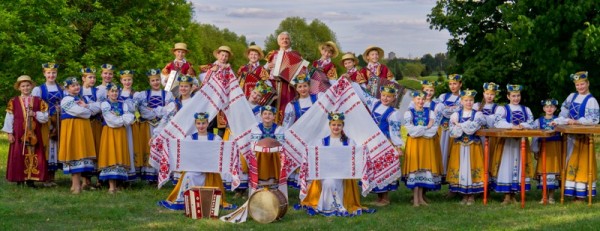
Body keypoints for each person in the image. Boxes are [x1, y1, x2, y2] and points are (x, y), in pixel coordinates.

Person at [297, 112, 373, 216]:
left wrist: (362, 150)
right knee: (329, 182)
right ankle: (327, 207)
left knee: (331, 182)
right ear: (329, 125)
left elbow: (355, 159)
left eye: (339, 125)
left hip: (343, 174)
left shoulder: (350, 142)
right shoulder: (321, 142)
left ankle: (328, 207)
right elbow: (316, 160)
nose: (336, 127)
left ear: (343, 126)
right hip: (325, 173)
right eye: (333, 125)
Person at [158, 112, 234, 210]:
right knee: (189, 175)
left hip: (209, 171)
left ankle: (204, 200)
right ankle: (188, 200)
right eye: (198, 123)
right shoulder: (190, 138)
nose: (201, 126)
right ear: (195, 124)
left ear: (207, 123)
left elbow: (220, 154)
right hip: (193, 169)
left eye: (203, 123)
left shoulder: (215, 138)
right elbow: (184, 153)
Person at [352, 82, 403, 206]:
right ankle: (379, 197)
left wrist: (397, 146)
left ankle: (385, 198)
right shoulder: (374, 103)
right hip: (371, 143)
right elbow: (363, 94)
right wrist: (351, 82)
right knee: (375, 169)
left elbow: (395, 131)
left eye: (388, 96)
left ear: (393, 99)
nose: (385, 98)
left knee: (383, 169)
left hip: (384, 144)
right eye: (383, 95)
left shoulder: (393, 113)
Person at [554, 71, 599, 202]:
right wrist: (559, 121)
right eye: (578, 84)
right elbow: (564, 113)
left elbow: (594, 119)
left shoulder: (591, 101)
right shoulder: (572, 97)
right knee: (569, 161)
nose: (580, 87)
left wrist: (577, 122)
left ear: (588, 83)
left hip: (583, 138)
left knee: (582, 163)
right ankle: (570, 191)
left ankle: (581, 195)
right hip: (569, 136)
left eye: (582, 84)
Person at [491, 84, 535, 204]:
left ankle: (514, 194)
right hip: (507, 143)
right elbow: (498, 122)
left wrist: (523, 126)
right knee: (507, 165)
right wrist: (512, 127)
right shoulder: (503, 109)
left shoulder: (526, 109)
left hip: (521, 142)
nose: (516, 98)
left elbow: (531, 122)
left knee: (519, 165)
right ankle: (506, 195)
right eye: (513, 96)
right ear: (508, 96)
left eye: (518, 96)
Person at [2, 75, 49, 187]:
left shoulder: (38, 100)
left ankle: (31, 180)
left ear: (31, 86)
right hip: (18, 132)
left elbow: (45, 117)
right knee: (18, 154)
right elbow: (9, 118)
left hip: (34, 133)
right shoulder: (13, 101)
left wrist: (35, 114)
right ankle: (19, 178)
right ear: (19, 88)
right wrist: (9, 133)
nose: (26, 88)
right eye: (23, 86)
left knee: (34, 153)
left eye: (28, 85)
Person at [402, 91, 442, 207]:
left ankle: (420, 198)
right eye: (418, 99)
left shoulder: (430, 113)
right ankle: (415, 199)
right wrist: (425, 127)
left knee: (423, 170)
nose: (421, 101)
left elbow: (433, 130)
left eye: (423, 99)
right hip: (414, 144)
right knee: (416, 168)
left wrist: (420, 130)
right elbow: (411, 131)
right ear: (414, 100)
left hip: (426, 144)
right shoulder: (409, 113)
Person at [59, 77, 97, 194]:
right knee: (75, 154)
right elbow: (81, 112)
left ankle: (75, 186)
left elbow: (95, 108)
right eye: (72, 86)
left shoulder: (81, 98)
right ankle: (76, 186)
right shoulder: (66, 100)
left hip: (82, 130)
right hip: (73, 129)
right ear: (67, 88)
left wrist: (87, 108)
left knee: (81, 155)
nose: (76, 87)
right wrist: (87, 110)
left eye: (77, 85)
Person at [135, 69, 174, 182]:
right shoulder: (143, 94)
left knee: (162, 147)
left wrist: (153, 110)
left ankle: (161, 175)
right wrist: (161, 110)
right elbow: (143, 112)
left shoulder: (167, 94)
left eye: (157, 80)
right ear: (149, 82)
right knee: (149, 147)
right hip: (148, 125)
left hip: (163, 125)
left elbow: (169, 110)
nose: (156, 82)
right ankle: (149, 176)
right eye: (153, 80)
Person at [447, 89, 485, 205]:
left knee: (472, 167)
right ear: (462, 101)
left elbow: (472, 129)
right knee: (462, 167)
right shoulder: (455, 114)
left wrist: (459, 124)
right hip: (459, 146)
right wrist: (464, 126)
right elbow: (453, 132)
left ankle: (472, 195)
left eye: (471, 100)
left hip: (473, 145)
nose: (468, 102)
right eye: (466, 100)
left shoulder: (478, 114)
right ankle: (463, 195)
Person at [98, 83, 135, 193]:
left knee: (119, 154)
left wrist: (119, 118)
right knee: (111, 155)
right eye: (112, 91)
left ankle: (118, 185)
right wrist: (122, 119)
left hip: (120, 133)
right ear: (108, 93)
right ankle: (111, 186)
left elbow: (130, 118)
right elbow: (110, 121)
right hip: (109, 132)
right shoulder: (105, 104)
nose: (114, 93)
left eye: (116, 91)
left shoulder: (123, 104)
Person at [32, 62, 63, 187]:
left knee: (55, 147)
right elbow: (35, 106)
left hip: (58, 122)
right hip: (44, 121)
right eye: (49, 73)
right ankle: (43, 176)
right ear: (44, 73)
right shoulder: (39, 89)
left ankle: (52, 177)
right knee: (46, 146)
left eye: (54, 73)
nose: (51, 75)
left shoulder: (61, 88)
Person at [265, 32, 302, 123]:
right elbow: (264, 72)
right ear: (278, 42)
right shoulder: (273, 54)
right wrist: (267, 67)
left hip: (289, 87)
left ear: (290, 41)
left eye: (287, 39)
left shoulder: (296, 54)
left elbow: (302, 72)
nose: (285, 40)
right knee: (273, 107)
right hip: (275, 85)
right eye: (282, 39)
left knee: (288, 107)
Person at [531, 99, 562, 204]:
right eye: (547, 107)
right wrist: (535, 149)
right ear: (544, 108)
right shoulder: (538, 121)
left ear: (555, 109)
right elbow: (535, 136)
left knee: (553, 170)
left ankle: (552, 196)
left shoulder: (559, 120)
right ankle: (544, 195)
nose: (549, 109)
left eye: (552, 107)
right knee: (543, 170)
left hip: (555, 148)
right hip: (544, 148)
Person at [437, 74, 463, 183]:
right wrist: (451, 109)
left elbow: (456, 110)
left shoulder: (463, 98)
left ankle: (452, 181)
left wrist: (446, 108)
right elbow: (439, 109)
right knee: (441, 150)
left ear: (460, 84)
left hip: (454, 130)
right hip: (442, 128)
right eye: (450, 84)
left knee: (452, 152)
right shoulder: (443, 96)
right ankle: (440, 175)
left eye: (455, 84)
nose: (452, 86)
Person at [80, 67, 103, 189]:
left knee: (98, 148)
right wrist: (91, 107)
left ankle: (100, 179)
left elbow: (99, 107)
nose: (93, 79)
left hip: (96, 124)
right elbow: (79, 109)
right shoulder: (78, 91)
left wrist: (87, 106)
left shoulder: (99, 91)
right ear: (83, 78)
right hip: (83, 124)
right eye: (90, 77)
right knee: (85, 149)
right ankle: (85, 180)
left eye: (94, 77)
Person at [250, 105, 285, 184]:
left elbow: (281, 145)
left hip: (274, 156)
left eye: (270, 114)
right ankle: (259, 181)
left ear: (274, 116)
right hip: (260, 155)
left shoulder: (278, 129)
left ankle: (274, 181)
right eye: (265, 114)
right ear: (261, 116)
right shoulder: (256, 128)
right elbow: (253, 146)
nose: (267, 116)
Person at [117, 70, 139, 181]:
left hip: (129, 124)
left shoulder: (135, 94)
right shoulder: (117, 92)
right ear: (121, 81)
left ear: (132, 80)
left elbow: (135, 109)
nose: (127, 82)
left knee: (129, 146)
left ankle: (129, 174)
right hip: (117, 123)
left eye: (129, 79)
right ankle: (119, 172)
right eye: (125, 80)